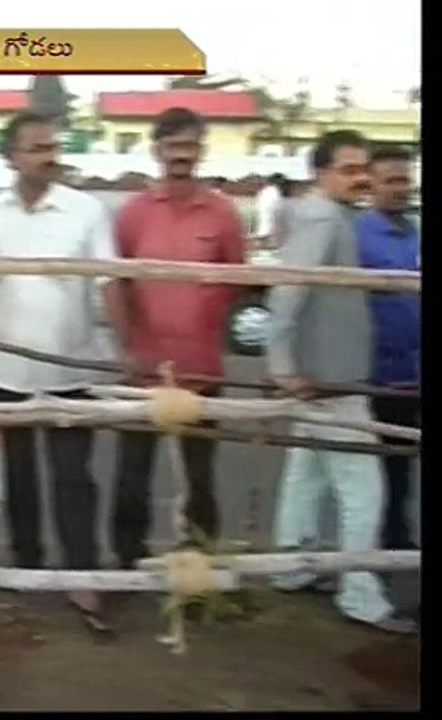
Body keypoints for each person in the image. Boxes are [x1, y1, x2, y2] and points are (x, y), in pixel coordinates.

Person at [0, 112, 124, 635]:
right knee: (17, 478)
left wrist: (127, 350)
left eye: (51, 147)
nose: (47, 156)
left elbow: (110, 283)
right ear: (11, 156)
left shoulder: (86, 211)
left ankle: (83, 578)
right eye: (36, 148)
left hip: (69, 372)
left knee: (73, 479)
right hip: (3, 370)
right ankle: (27, 566)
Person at [266, 130, 416, 634]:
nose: (358, 178)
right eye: (348, 169)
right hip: (329, 378)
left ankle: (293, 566)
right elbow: (288, 294)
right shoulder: (321, 217)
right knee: (362, 490)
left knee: (306, 476)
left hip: (329, 373)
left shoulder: (332, 215)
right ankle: (360, 594)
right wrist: (283, 364)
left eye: (361, 169)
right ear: (321, 172)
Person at [109, 108, 245, 569]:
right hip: (144, 369)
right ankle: (127, 566)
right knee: (132, 475)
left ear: (201, 151)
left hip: (202, 370)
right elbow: (118, 283)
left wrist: (203, 322)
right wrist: (129, 346)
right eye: (173, 148)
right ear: (157, 151)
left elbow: (237, 282)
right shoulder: (133, 213)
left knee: (199, 477)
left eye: (189, 147)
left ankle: (199, 569)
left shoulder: (223, 213)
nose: (181, 157)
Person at [355, 144, 420, 551]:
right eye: (391, 180)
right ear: (372, 184)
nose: (401, 188)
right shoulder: (356, 235)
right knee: (386, 468)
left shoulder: (415, 231)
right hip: (380, 374)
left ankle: (399, 540)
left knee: (407, 463)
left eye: (405, 178)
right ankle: (384, 547)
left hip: (417, 371)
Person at [254, 172, 286, 245]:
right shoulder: (275, 192)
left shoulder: (263, 192)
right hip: (272, 231)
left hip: (263, 228)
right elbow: (278, 209)